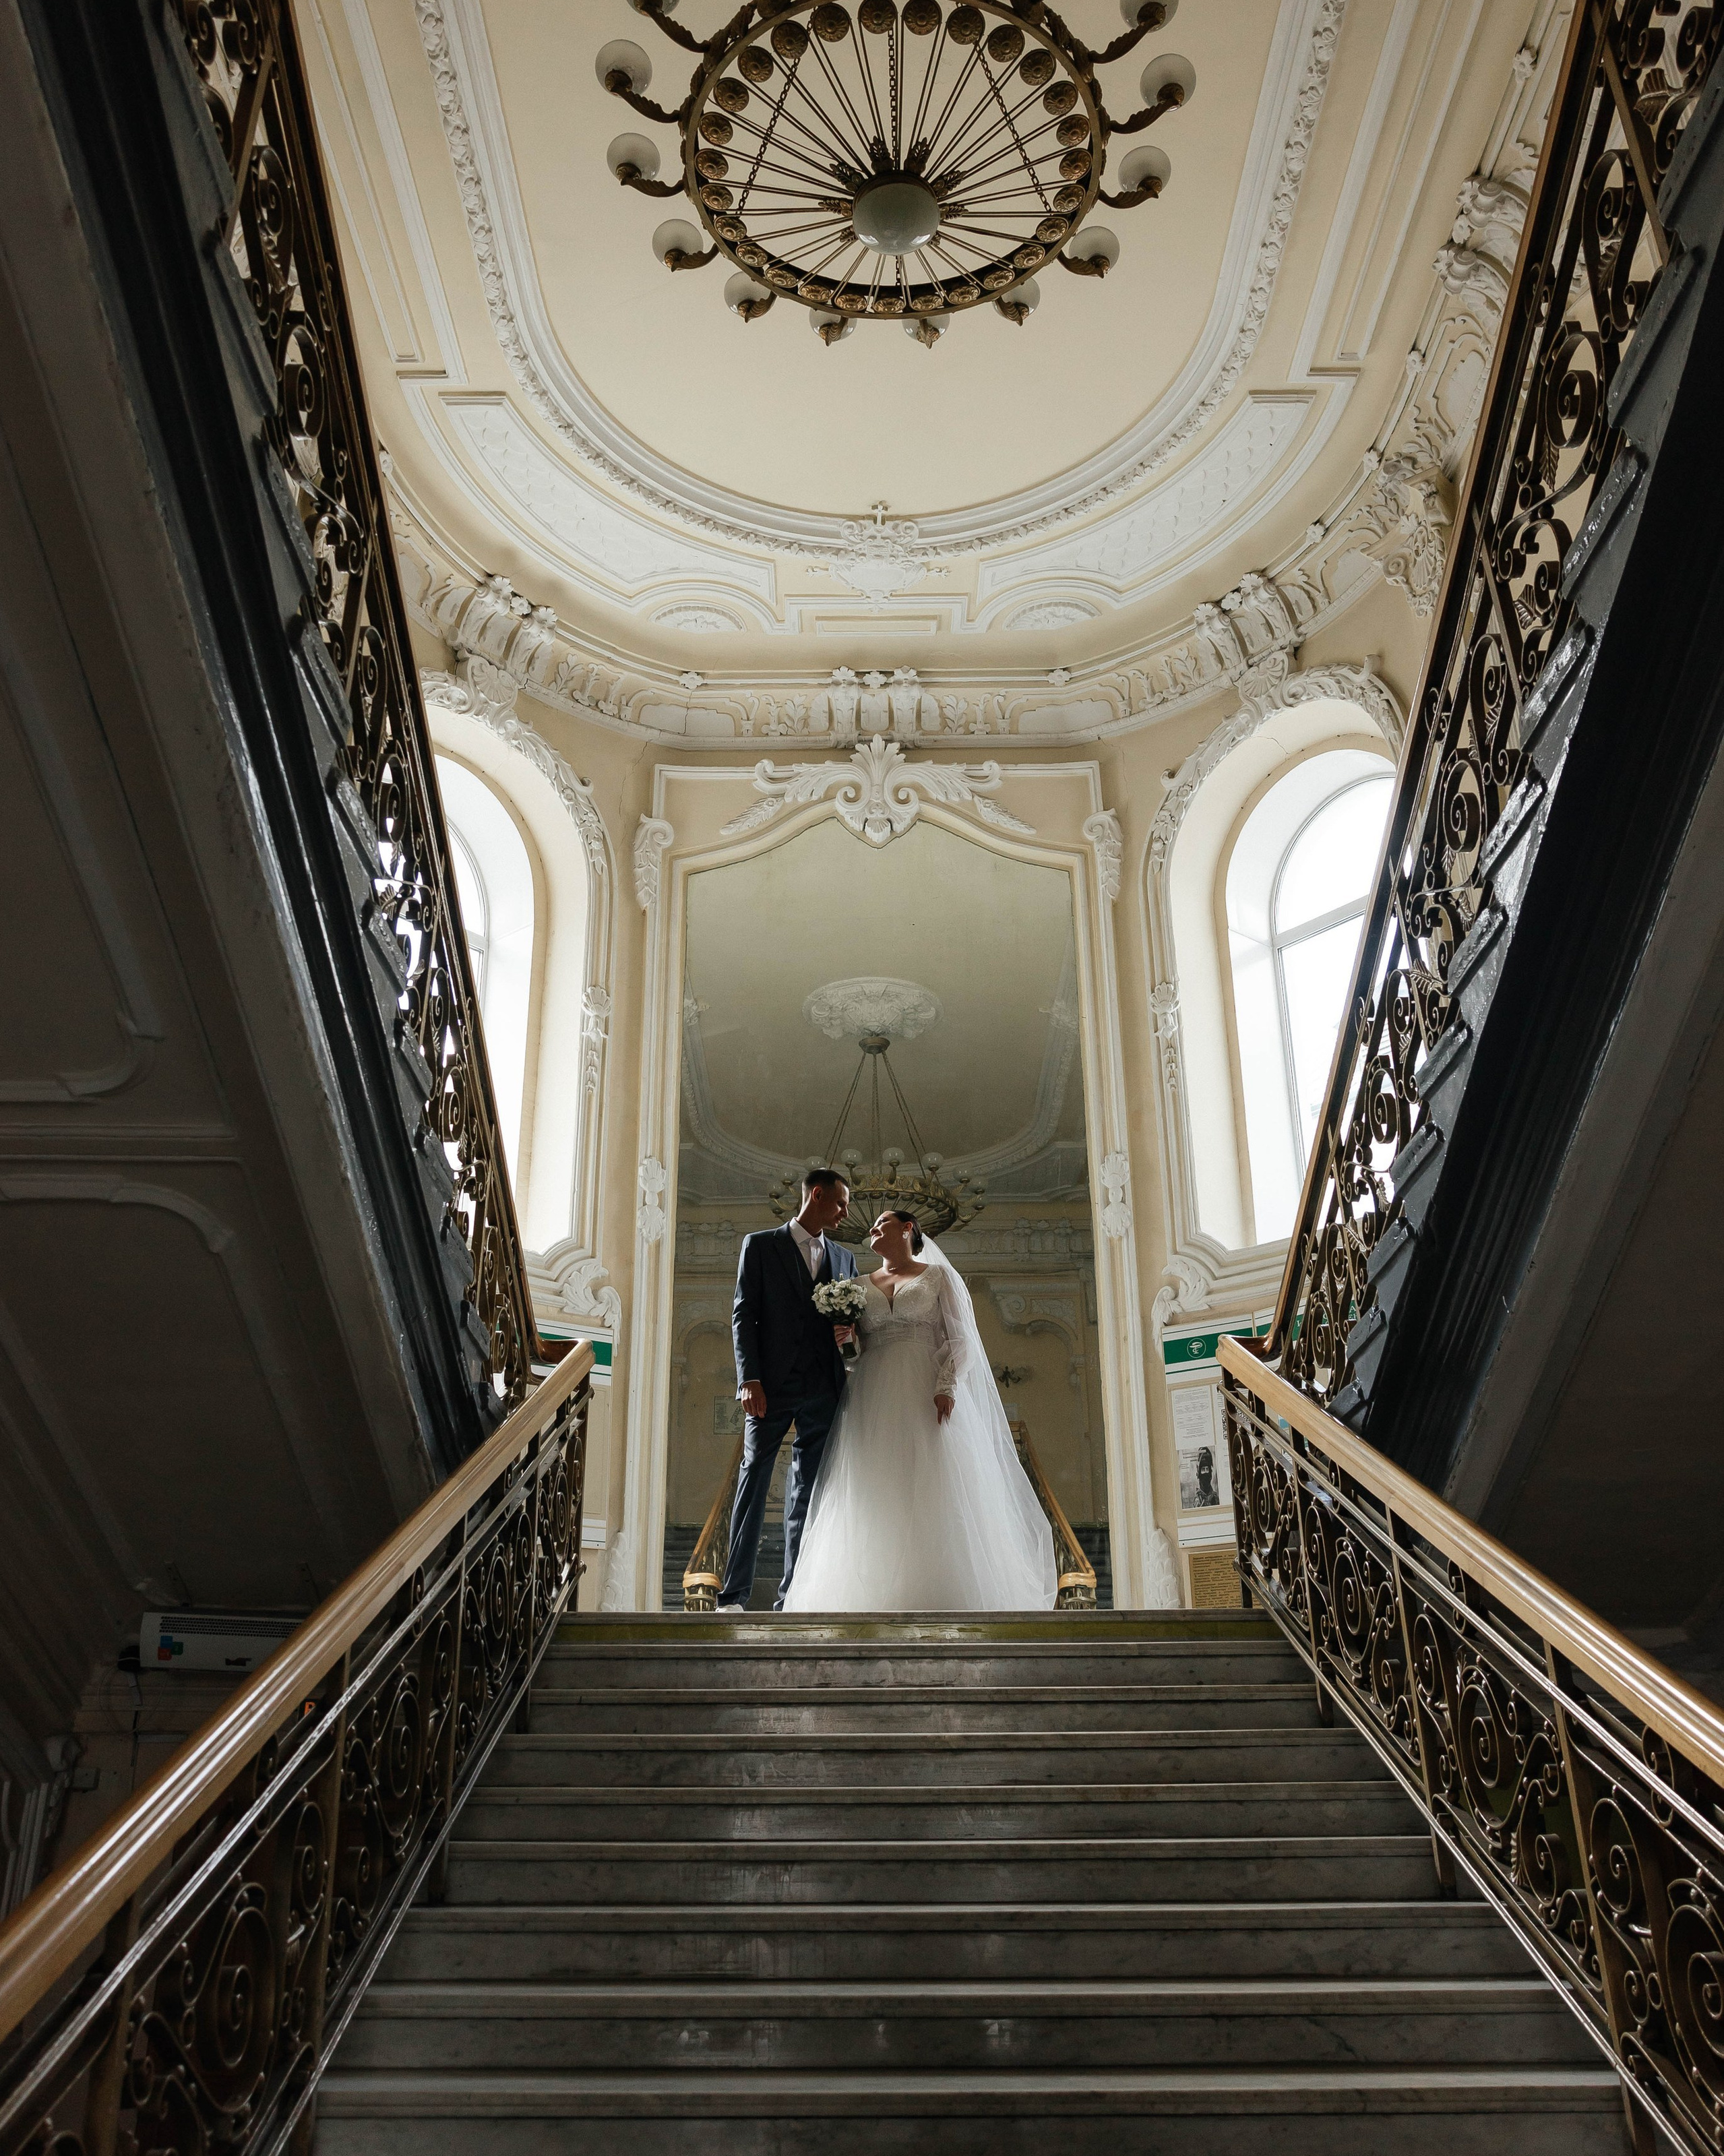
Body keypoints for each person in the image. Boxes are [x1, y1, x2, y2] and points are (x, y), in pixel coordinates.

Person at [782, 1210, 1056, 1612]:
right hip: (872, 1391)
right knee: (873, 1485)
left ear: (907, 1229)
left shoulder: (937, 1277)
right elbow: (853, 1357)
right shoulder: (857, 1285)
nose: (872, 1230)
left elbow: (961, 1338)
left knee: (931, 1478)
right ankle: (870, 1590)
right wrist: (847, 1340)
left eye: (882, 1224)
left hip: (924, 1387)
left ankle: (940, 1588)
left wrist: (946, 1384)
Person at [719, 1167, 859, 1611]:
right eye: (840, 1204)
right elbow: (745, 1314)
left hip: (824, 1389)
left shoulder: (845, 1259)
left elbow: (851, 1326)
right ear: (816, 1195)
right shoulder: (760, 1246)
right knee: (754, 1481)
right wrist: (748, 1378)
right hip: (769, 1387)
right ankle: (733, 1594)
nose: (844, 1214)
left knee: (808, 1491)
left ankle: (793, 1596)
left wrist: (848, 1337)